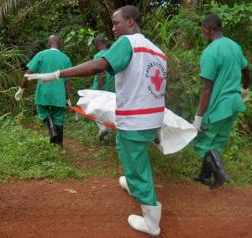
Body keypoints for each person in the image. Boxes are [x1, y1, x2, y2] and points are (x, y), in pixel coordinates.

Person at [25, 5, 167, 236]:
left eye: (116, 22)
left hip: (135, 120)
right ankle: (133, 184)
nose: (113, 28)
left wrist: (59, 74)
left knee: (136, 165)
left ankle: (152, 221)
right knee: (130, 152)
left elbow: (100, 65)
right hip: (151, 118)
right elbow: (159, 89)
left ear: (130, 22)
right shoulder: (156, 50)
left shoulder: (127, 43)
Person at [192, 13, 251, 189]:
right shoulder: (234, 46)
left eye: (203, 28)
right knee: (217, 141)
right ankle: (205, 175)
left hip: (218, 105)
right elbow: (246, 70)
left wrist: (199, 117)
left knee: (202, 142)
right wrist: (245, 90)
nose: (202, 31)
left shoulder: (210, 52)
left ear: (208, 28)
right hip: (233, 103)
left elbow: (206, 88)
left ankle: (220, 173)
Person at [14, 35, 72, 146]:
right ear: (59, 45)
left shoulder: (41, 55)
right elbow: (67, 81)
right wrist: (68, 98)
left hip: (43, 92)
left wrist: (21, 89)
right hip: (59, 94)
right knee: (58, 118)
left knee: (42, 111)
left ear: (48, 44)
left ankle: (51, 129)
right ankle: (58, 144)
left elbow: (28, 74)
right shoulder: (65, 58)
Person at [91, 35, 115, 141]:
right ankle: (106, 138)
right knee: (107, 112)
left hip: (101, 88)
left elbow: (101, 74)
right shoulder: (114, 54)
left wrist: (99, 90)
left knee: (93, 109)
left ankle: (102, 127)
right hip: (113, 89)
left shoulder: (98, 56)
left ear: (97, 45)